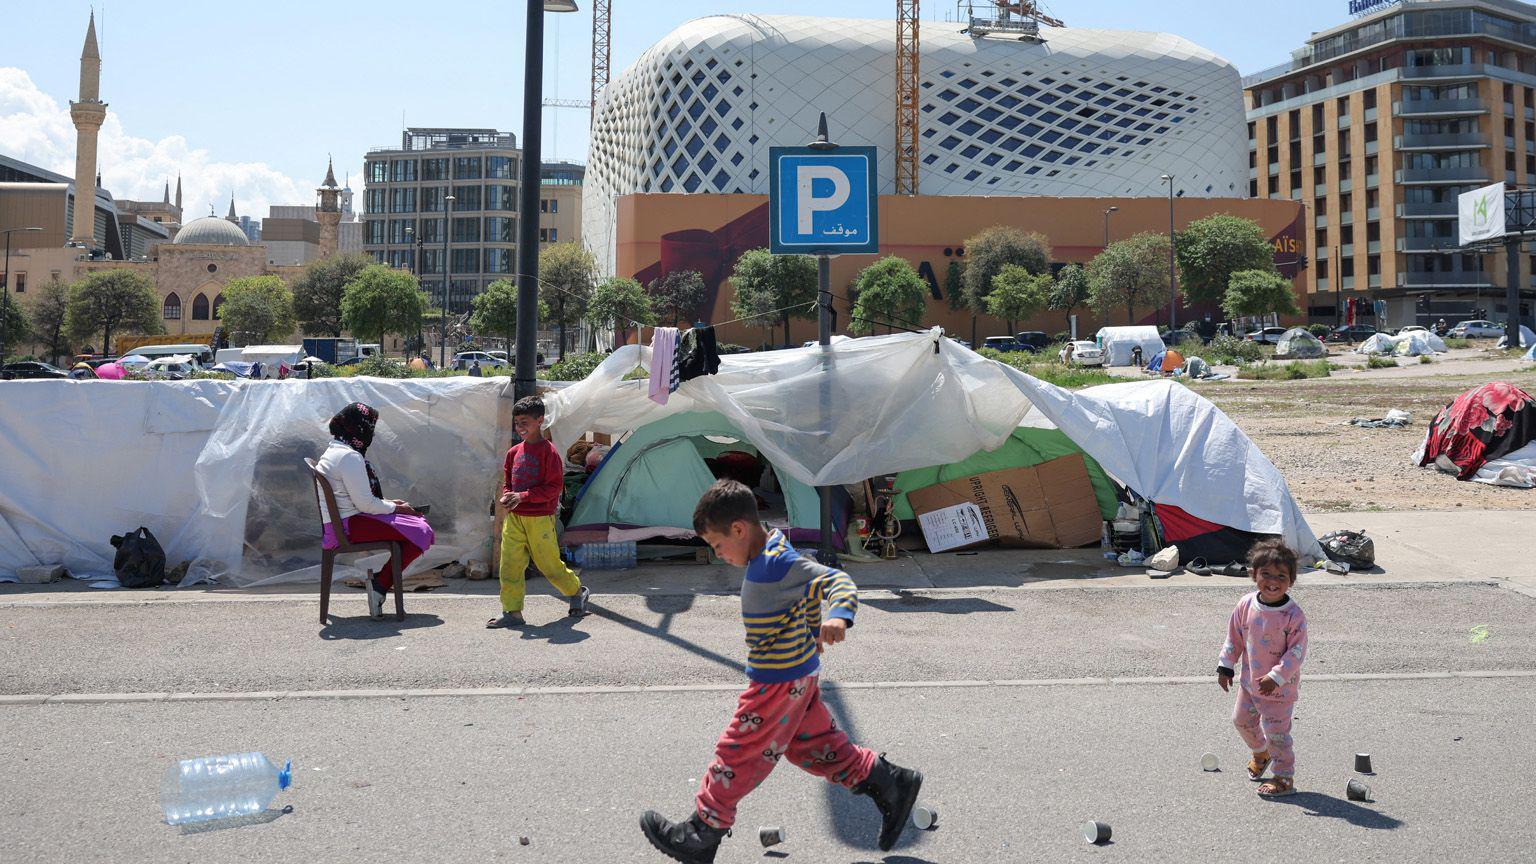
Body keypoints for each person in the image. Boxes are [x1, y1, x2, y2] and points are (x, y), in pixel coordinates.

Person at [640, 480, 923, 861]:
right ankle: (889, 782)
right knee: (812, 747)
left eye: (717, 545)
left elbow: (835, 580)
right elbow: (803, 593)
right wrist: (810, 629)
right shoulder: (771, 550)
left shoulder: (775, 562)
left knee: (737, 753)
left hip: (777, 683)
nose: (719, 554)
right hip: (795, 678)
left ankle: (702, 832)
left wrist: (838, 617)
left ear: (739, 529)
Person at [314, 403, 435, 619]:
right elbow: (365, 505)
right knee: (422, 531)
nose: (370, 433)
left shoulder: (335, 449)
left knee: (414, 526)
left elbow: (357, 498)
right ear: (357, 427)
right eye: (368, 427)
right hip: (350, 525)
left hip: (343, 522)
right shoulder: (349, 457)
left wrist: (391, 505)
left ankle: (380, 584)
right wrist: (398, 508)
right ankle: (380, 585)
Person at [487, 395, 589, 628]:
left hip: (540, 520)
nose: (520, 427)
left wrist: (522, 496)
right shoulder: (513, 453)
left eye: (525, 422)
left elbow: (553, 488)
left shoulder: (549, 452)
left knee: (549, 566)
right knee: (509, 566)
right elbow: (508, 482)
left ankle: (577, 591)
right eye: (517, 422)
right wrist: (507, 495)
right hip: (514, 519)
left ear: (540, 420)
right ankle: (512, 612)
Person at [1217, 539, 1308, 797]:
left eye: (1281, 576)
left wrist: (1277, 676)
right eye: (1265, 574)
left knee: (1277, 734)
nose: (1272, 581)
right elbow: (1234, 637)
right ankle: (1261, 751)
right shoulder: (1246, 605)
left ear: (1291, 580)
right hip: (1250, 684)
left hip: (1279, 691)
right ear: (1252, 575)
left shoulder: (1293, 616)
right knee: (1241, 721)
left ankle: (1283, 776)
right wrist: (1225, 666)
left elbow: (1296, 653)